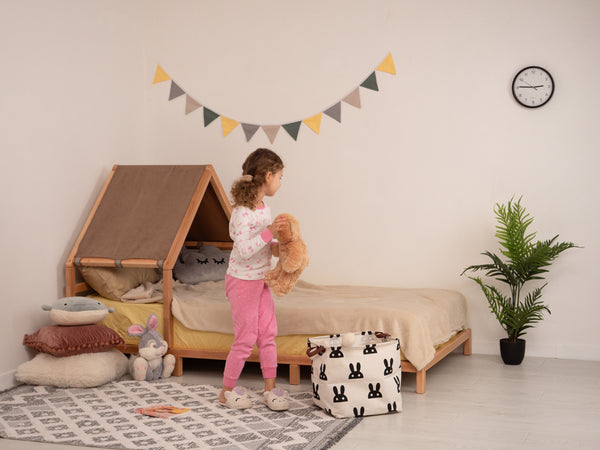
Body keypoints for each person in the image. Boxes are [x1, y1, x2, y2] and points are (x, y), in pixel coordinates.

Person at [218, 148, 289, 411]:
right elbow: (244, 250)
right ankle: (226, 391)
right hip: (242, 281)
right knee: (246, 337)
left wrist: (279, 248)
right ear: (269, 176)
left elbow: (265, 245)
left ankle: (270, 389)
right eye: (280, 177)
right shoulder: (241, 213)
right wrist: (268, 233)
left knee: (268, 333)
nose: (280, 182)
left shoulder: (263, 208)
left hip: (262, 279)